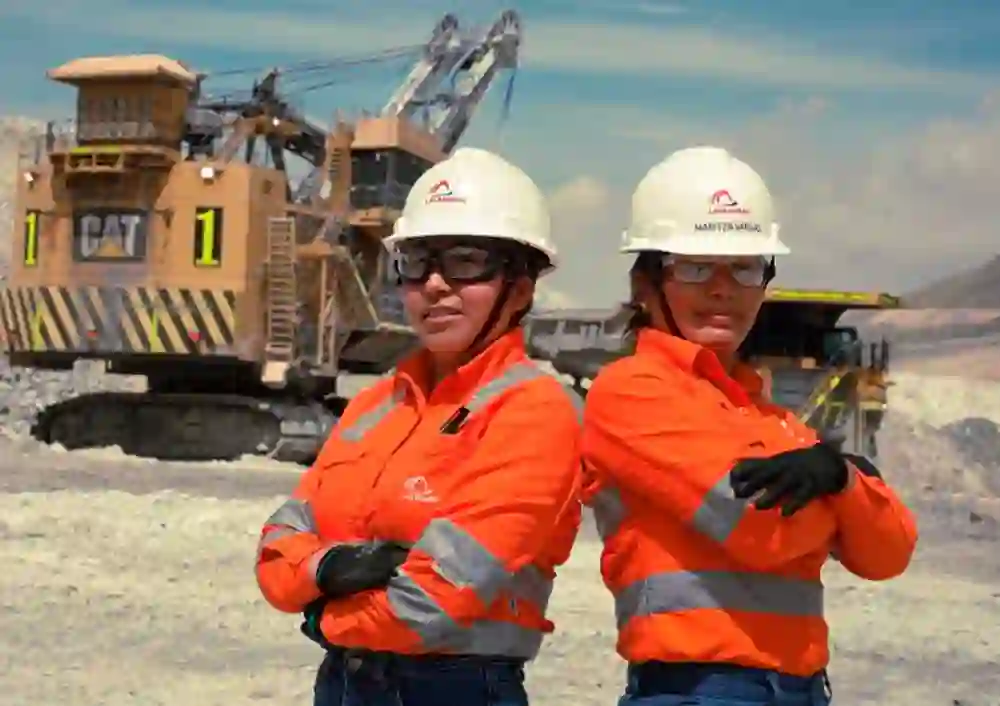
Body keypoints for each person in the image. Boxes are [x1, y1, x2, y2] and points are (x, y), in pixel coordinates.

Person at [581, 146, 918, 706]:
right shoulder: (633, 393)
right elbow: (760, 532)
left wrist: (840, 480)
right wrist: (848, 498)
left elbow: (889, 555)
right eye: (694, 266)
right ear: (645, 284)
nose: (723, 287)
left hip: (803, 690)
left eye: (744, 266)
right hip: (694, 690)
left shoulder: (771, 417)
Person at [254, 147, 583, 706]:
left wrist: (321, 613)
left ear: (521, 288)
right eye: (417, 262)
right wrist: (330, 564)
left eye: (466, 261)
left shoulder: (534, 411)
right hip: (344, 684)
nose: (434, 285)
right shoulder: (374, 406)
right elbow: (277, 544)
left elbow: (434, 600)